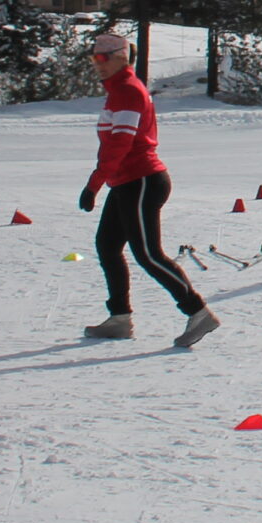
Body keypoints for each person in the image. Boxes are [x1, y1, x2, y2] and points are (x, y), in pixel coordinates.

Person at [78, 31, 221, 348]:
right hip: (126, 182)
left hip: (141, 181)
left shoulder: (128, 90)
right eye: (94, 58)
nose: (97, 65)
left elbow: (120, 145)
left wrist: (93, 184)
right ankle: (119, 318)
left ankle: (198, 312)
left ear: (120, 57)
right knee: (107, 246)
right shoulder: (117, 90)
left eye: (102, 58)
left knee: (149, 255)